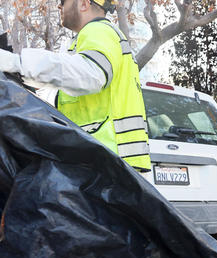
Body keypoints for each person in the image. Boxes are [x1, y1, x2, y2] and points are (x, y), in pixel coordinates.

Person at [0, 0, 151, 173]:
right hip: (108, 162)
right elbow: (71, 88)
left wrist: (16, 63)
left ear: (84, 4)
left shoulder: (98, 31)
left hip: (106, 162)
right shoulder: (96, 38)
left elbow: (90, 74)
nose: (59, 6)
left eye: (63, 2)